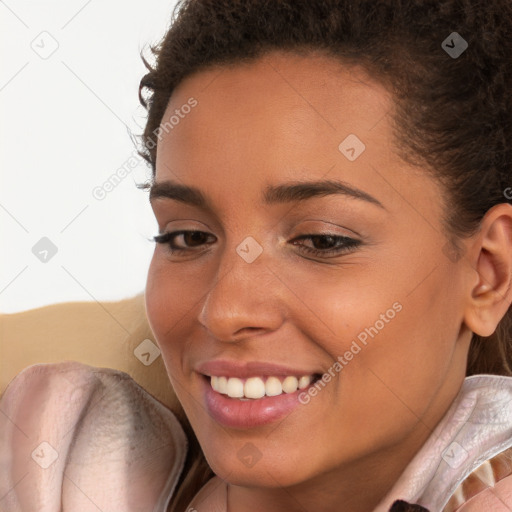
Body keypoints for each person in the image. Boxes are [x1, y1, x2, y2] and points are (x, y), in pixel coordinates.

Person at [1, 1, 512, 511]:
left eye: (322, 240)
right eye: (188, 237)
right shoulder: (57, 459)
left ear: (488, 274)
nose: (224, 311)